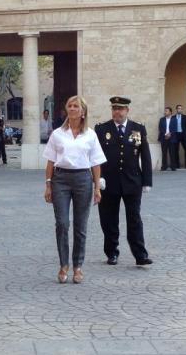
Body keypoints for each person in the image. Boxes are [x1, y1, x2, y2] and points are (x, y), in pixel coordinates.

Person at [43, 96, 106, 284]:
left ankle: (78, 266)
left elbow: (95, 163)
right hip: (60, 179)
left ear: (83, 111)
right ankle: (64, 264)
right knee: (62, 223)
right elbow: (50, 161)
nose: (71, 108)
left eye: (75, 106)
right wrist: (48, 184)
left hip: (83, 179)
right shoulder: (57, 134)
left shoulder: (91, 135)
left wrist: (97, 187)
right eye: (69, 106)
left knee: (81, 225)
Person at [95, 96, 153, 267]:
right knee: (109, 219)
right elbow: (95, 156)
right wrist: (97, 178)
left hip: (132, 181)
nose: (117, 112)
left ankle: (140, 254)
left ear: (127, 110)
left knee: (134, 219)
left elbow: (145, 156)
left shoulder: (138, 129)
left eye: (120, 109)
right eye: (114, 108)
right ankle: (112, 252)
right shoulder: (101, 129)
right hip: (108, 182)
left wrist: (147, 181)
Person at [157, 107, 178, 171]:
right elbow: (160, 128)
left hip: (172, 138)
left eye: (166, 111)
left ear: (170, 112)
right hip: (164, 138)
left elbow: (175, 128)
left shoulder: (174, 119)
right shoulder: (162, 119)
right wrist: (165, 135)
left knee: (172, 153)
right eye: (165, 111)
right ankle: (164, 166)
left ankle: (173, 166)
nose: (165, 112)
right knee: (164, 153)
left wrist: (170, 134)